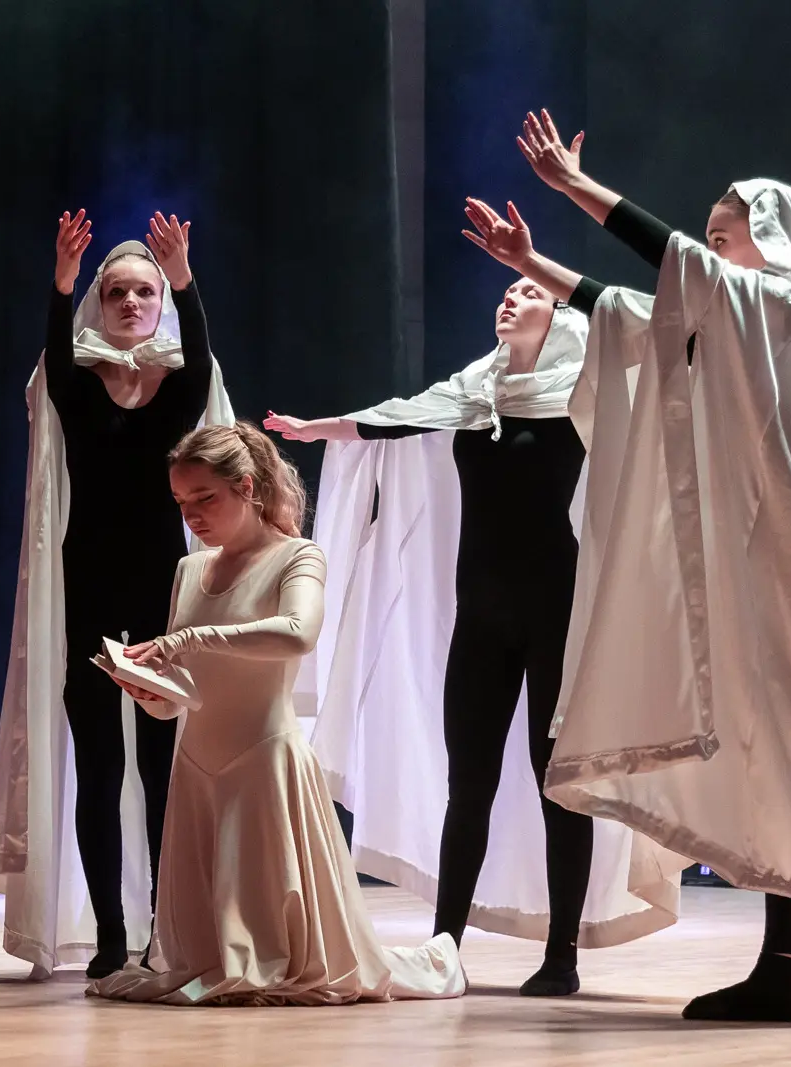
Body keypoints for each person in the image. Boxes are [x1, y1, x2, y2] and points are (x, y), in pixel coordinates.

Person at [457, 107, 791, 1023]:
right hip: (755, 576)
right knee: (766, 764)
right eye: (712, 233)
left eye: (728, 230)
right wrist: (533, 263)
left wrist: (578, 188)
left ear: (781, 242)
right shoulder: (730, 318)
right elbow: (632, 313)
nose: (711, 240)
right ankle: (780, 971)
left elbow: (678, 270)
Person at [263, 284, 680, 997]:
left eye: (529, 290)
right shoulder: (474, 393)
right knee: (469, 784)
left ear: (561, 315)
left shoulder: (585, 394)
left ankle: (562, 955)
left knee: (560, 784)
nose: (510, 298)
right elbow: (397, 418)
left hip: (558, 615)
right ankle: (446, 946)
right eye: (507, 290)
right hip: (482, 616)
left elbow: (651, 392)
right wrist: (317, 427)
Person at [86, 422, 465, 1005]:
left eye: (205, 497)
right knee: (207, 949)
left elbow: (297, 633)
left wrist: (187, 640)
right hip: (197, 765)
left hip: (264, 760)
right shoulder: (191, 568)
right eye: (181, 501)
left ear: (246, 487)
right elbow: (187, 692)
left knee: (280, 946)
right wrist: (150, 691)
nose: (192, 514)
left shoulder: (297, 556)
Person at [0, 212, 235, 979]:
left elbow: (200, 360)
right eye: (117, 291)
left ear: (161, 304)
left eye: (143, 292)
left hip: (161, 595)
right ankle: (113, 935)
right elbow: (58, 356)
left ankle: (163, 927)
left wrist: (184, 280)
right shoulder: (77, 382)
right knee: (99, 766)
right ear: (100, 300)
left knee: (161, 767)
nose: (129, 302)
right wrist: (62, 284)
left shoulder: (181, 385)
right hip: (88, 589)